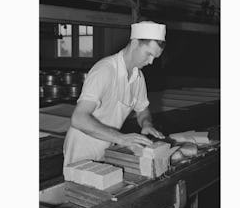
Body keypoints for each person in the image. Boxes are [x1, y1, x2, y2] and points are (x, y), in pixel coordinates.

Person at [63, 21, 166, 166]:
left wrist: (146, 123)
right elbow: (79, 119)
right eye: (148, 54)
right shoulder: (105, 70)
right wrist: (122, 139)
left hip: (108, 147)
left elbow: (142, 110)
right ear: (135, 43)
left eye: (154, 57)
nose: (150, 62)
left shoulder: (138, 77)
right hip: (82, 150)